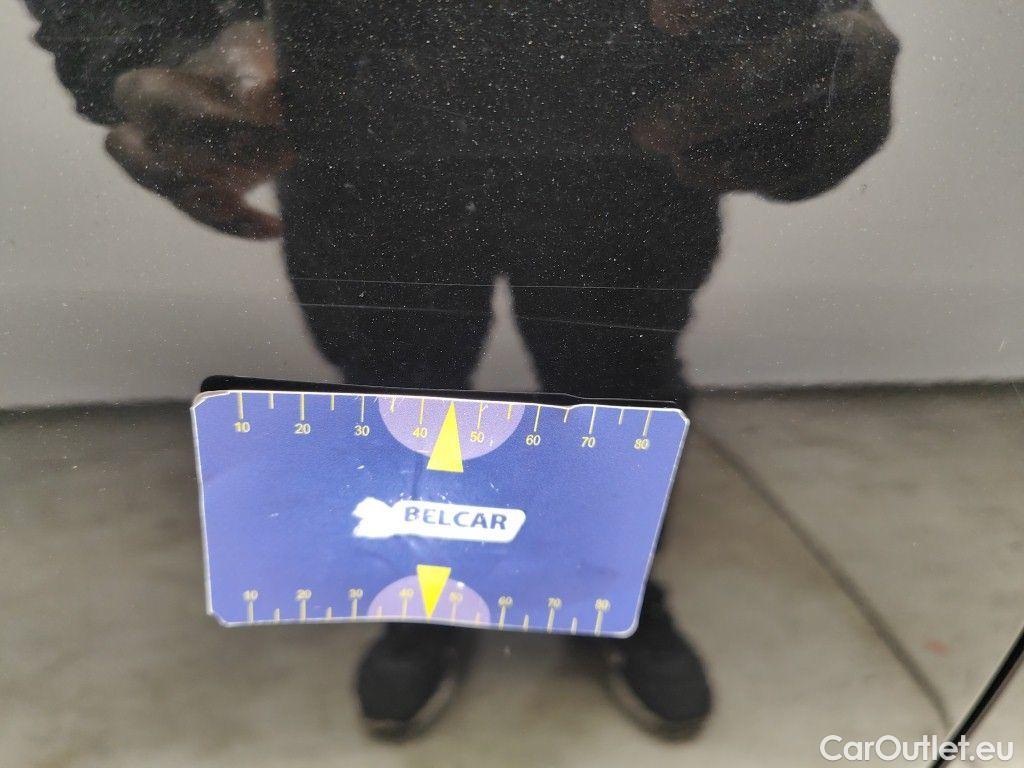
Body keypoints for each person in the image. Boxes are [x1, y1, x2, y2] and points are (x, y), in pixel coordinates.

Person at [26, 0, 898, 737]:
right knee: (396, 384)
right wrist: (146, 40)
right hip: (366, 125)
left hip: (617, 129)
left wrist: (814, 16)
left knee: (616, 382)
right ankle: (428, 596)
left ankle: (609, 586)